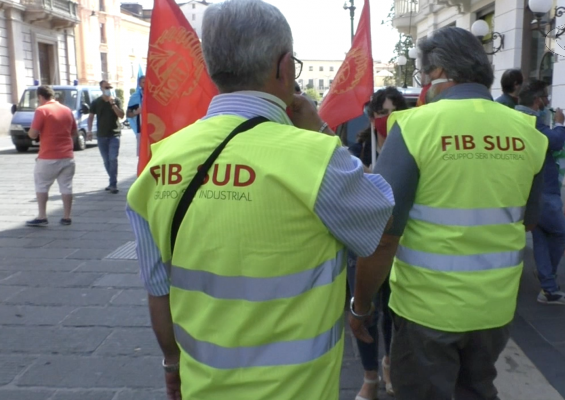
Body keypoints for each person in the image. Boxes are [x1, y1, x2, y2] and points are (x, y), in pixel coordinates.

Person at [125, 1, 394, 399]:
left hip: (203, 388)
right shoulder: (316, 157)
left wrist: (171, 363)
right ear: (283, 67)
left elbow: (158, 290)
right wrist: (321, 130)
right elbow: (383, 222)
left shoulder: (159, 161)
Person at [349, 26, 548, 400]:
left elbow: (384, 232)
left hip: (428, 311)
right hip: (495, 307)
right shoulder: (527, 131)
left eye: (424, 74)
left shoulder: (414, 127)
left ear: (438, 72)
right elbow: (530, 218)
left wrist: (361, 306)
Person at [347, 87, 408, 400]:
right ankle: (369, 377)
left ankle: (389, 363)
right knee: (365, 311)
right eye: (383, 112)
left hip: (399, 244)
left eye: (396, 111)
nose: (389, 119)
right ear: (372, 117)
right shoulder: (357, 151)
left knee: (393, 312)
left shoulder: (409, 147)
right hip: (365, 244)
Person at [514, 79, 565, 305]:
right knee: (563, 233)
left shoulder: (517, 117)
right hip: (542, 190)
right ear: (538, 101)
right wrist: (560, 124)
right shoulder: (530, 120)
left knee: (542, 236)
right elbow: (554, 141)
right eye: (546, 98)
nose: (548, 103)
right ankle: (547, 278)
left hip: (531, 189)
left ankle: (548, 288)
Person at [26, 85, 78, 227]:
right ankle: (67, 217)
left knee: (42, 185)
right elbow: (74, 132)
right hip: (67, 156)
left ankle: (42, 216)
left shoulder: (42, 110)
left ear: (40, 97)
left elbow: (33, 134)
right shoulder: (67, 110)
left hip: (48, 156)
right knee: (66, 186)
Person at [88, 80, 125, 194]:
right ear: (101, 89)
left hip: (114, 134)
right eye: (106, 87)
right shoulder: (96, 102)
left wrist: (113, 104)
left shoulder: (116, 100)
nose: (108, 89)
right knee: (106, 160)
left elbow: (121, 115)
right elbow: (91, 116)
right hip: (101, 135)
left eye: (110, 87)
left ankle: (113, 184)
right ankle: (112, 181)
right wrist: (89, 131)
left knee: (113, 158)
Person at [127, 75, 145, 155]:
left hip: (155, 131)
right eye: (143, 82)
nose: (146, 84)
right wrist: (135, 112)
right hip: (141, 130)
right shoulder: (135, 97)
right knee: (142, 154)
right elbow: (128, 114)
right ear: (139, 84)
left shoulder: (155, 95)